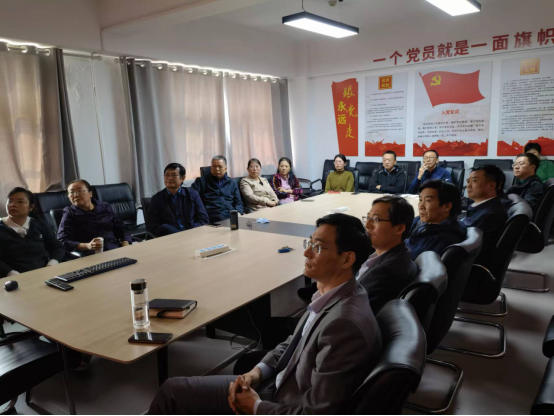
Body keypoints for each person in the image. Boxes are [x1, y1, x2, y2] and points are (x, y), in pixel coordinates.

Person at [149, 214, 382, 415]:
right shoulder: (333, 295)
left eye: (318, 247)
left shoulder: (343, 324)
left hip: (278, 402)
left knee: (172, 392)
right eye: (309, 243)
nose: (306, 252)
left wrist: (256, 406)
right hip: (274, 384)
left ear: (347, 259)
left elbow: (315, 412)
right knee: (177, 389)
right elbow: (294, 343)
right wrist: (256, 373)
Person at [359, 196, 419, 314]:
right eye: (368, 218)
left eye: (375, 219)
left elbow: (355, 312)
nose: (367, 225)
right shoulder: (399, 254)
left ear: (399, 228)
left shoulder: (386, 272)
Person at [0, 188, 65, 278]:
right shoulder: (2, 227)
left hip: (43, 274)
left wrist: (51, 265)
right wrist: (12, 273)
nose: (13, 205)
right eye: (10, 201)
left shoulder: (39, 224)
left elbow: (58, 247)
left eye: (20, 202)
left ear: (31, 207)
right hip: (11, 279)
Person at [58, 179, 132, 254]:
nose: (76, 195)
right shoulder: (69, 213)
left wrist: (125, 243)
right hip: (91, 254)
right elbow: (62, 240)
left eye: (80, 191)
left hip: (115, 249)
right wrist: (87, 246)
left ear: (90, 193)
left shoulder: (105, 206)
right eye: (72, 192)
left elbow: (121, 228)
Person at [406, 180, 467, 260]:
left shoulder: (445, 238)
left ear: (447, 207)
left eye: (428, 200)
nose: (421, 206)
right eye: (420, 200)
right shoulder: (424, 221)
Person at [460, 165, 508, 265]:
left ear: (491, 185)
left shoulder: (491, 215)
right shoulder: (481, 207)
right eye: (468, 181)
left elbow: (472, 252)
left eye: (474, 181)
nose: (468, 186)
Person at [147, 163, 209, 237]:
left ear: (182, 178)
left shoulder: (192, 194)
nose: (169, 178)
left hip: (192, 234)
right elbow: (152, 226)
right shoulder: (156, 199)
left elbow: (203, 219)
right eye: (167, 175)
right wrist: (169, 230)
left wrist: (190, 232)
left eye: (174, 175)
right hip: (170, 237)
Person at [192, 156, 244, 222]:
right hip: (212, 215)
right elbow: (193, 200)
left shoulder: (231, 183)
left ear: (225, 169)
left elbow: (238, 202)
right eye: (214, 166)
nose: (216, 169)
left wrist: (238, 212)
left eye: (220, 167)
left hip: (230, 214)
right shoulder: (201, 181)